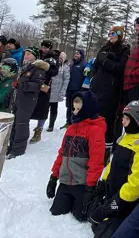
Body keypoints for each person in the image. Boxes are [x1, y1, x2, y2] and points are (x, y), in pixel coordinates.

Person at [89, 101, 139, 237]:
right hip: (115, 194)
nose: (123, 122)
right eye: (123, 118)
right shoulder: (125, 138)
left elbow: (137, 183)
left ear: (136, 121)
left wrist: (115, 203)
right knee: (90, 216)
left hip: (129, 203)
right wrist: (103, 183)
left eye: (127, 119)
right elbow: (113, 164)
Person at [46, 90, 106, 221]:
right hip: (66, 181)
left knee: (81, 216)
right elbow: (62, 153)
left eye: (78, 109)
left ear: (87, 109)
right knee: (56, 211)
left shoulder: (95, 130)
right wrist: (53, 177)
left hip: (82, 183)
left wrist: (90, 187)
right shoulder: (71, 128)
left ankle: (95, 197)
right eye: (74, 108)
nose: (74, 112)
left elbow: (96, 161)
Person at [90, 26, 130, 163]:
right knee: (94, 116)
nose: (110, 35)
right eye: (109, 33)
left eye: (113, 33)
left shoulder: (124, 49)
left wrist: (106, 61)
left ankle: (107, 149)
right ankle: (94, 144)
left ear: (119, 35)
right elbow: (95, 64)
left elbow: (121, 67)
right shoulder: (104, 47)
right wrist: (92, 76)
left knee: (108, 119)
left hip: (112, 90)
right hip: (97, 87)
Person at [6, 47, 48, 159]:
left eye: (29, 54)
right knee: (14, 122)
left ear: (35, 56)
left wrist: (20, 85)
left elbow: (36, 85)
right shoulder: (24, 67)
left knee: (21, 123)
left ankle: (18, 149)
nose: (26, 56)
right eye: (25, 54)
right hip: (17, 98)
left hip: (28, 100)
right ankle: (12, 145)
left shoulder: (38, 69)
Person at [30, 40, 59, 143]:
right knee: (29, 106)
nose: (43, 49)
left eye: (46, 48)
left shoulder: (53, 57)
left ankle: (39, 129)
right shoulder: (37, 54)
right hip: (32, 83)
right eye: (42, 47)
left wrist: (44, 66)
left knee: (42, 108)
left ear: (50, 48)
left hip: (45, 85)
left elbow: (54, 72)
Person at [61, 48, 87, 129]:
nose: (76, 55)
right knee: (69, 106)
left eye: (78, 54)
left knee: (76, 107)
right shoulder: (71, 64)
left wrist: (83, 90)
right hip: (69, 89)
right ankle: (68, 122)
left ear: (82, 56)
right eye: (75, 53)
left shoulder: (84, 65)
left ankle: (76, 123)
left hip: (78, 90)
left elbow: (86, 78)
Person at [47, 51, 70, 132]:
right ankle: (40, 125)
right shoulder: (51, 64)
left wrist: (62, 92)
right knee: (44, 108)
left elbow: (66, 80)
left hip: (56, 91)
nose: (59, 59)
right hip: (47, 90)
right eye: (58, 57)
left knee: (53, 108)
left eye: (61, 58)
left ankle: (51, 125)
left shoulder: (65, 68)